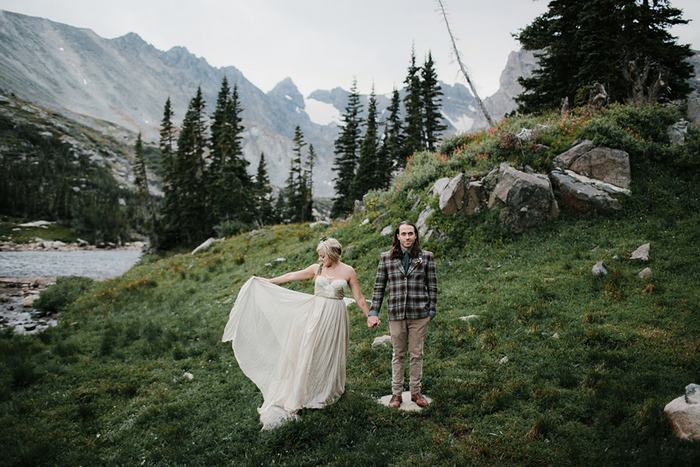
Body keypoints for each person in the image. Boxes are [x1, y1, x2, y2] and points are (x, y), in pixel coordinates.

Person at [222, 238, 374, 429]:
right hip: (316, 313)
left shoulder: (348, 271)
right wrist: (269, 281)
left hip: (336, 316)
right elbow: (293, 275)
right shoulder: (317, 269)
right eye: (319, 256)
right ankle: (305, 387)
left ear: (333, 254)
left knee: (329, 350)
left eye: (322, 255)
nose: (319, 259)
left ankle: (326, 388)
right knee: (310, 349)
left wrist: (370, 316)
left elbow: (359, 297)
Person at [368, 220, 437, 408]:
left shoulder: (426, 257)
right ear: (397, 236)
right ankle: (396, 394)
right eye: (404, 234)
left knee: (416, 353)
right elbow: (379, 287)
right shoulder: (386, 258)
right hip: (396, 314)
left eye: (411, 234)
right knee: (398, 354)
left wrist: (431, 311)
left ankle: (415, 392)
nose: (407, 237)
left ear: (415, 236)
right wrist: (373, 312)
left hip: (419, 314)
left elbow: (432, 286)